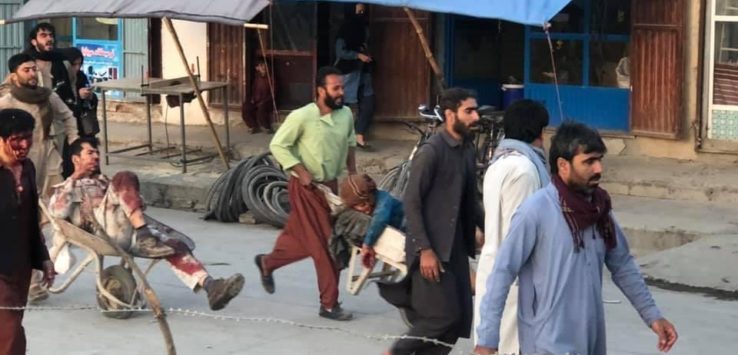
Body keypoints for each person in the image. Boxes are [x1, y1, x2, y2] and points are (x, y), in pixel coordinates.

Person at [474, 122, 678, 355]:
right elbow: (502, 273)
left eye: (599, 159)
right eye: (589, 162)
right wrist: (487, 339)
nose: (598, 169)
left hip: (590, 340)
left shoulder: (599, 210)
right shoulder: (536, 211)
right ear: (563, 165)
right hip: (546, 343)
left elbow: (622, 265)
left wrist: (653, 316)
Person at [48, 137, 245, 311]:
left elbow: (139, 204)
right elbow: (57, 213)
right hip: (102, 231)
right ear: (75, 159)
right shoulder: (66, 187)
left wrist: (129, 197)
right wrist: (75, 179)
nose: (96, 157)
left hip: (127, 229)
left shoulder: (105, 182)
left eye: (97, 153)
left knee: (176, 245)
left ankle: (211, 287)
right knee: (124, 176)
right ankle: (143, 233)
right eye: (90, 153)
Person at [380, 87, 483, 355]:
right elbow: (411, 202)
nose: (476, 117)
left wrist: (485, 226)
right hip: (431, 250)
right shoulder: (431, 151)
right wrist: (425, 250)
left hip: (456, 250)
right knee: (441, 317)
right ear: (450, 115)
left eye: (475, 110)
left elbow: (471, 199)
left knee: (458, 321)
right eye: (469, 111)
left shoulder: (468, 149)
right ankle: (394, 352)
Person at [254, 66, 358, 321]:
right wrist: (301, 171)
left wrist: (353, 176)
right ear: (321, 91)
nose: (341, 92)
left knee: (302, 239)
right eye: (336, 88)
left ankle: (268, 263)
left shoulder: (345, 115)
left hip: (330, 188)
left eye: (342, 87)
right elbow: (278, 145)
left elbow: (351, 144)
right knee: (327, 244)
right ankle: (329, 304)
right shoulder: (302, 116)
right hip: (306, 188)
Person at [473, 100, 550, 353]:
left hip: (495, 266)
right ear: (538, 132)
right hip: (513, 278)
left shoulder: (500, 160)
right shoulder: (524, 170)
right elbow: (519, 234)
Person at [0, 53, 78, 302]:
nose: (33, 74)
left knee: (55, 213)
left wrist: (75, 143)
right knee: (28, 221)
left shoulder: (48, 96)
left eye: (35, 69)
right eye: (27, 70)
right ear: (14, 75)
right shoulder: (8, 101)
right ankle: (32, 283)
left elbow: (68, 116)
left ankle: (56, 255)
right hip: (19, 165)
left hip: (48, 158)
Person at [0, 109, 55, 355]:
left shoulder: (29, 168)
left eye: (28, 138)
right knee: (9, 330)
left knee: (11, 328)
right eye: (16, 139)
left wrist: (43, 257)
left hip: (20, 265)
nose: (24, 145)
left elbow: (32, 219)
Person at [338, 173, 405, 269]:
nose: (367, 206)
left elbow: (380, 219)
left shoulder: (384, 200)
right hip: (393, 238)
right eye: (362, 205)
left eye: (368, 201)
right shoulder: (357, 212)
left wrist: (367, 244)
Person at [335, 2, 374, 149]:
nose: (361, 14)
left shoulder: (364, 28)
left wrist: (366, 55)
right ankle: (339, 138)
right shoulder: (344, 30)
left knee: (369, 103)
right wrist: (357, 55)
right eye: (358, 11)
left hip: (364, 71)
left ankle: (359, 135)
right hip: (348, 72)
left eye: (363, 11)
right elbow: (340, 52)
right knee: (342, 105)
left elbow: (365, 44)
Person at [60, 47, 99, 178]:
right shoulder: (60, 80)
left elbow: (93, 101)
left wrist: (89, 96)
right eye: (73, 64)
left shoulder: (81, 76)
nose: (76, 68)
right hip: (67, 130)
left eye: (79, 64)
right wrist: (77, 95)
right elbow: (61, 103)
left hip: (84, 128)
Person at [23, 22, 75, 108]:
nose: (49, 38)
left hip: (59, 113)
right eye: (43, 36)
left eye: (51, 35)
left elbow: (72, 86)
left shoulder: (63, 62)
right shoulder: (24, 63)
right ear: (34, 42)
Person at [241, 57, 275, 134]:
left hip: (267, 101)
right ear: (257, 68)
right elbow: (253, 90)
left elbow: (273, 93)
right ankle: (252, 126)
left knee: (261, 109)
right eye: (260, 66)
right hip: (257, 100)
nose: (263, 67)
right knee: (246, 107)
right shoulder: (257, 78)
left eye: (264, 65)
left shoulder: (271, 78)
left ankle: (267, 127)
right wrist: (252, 99)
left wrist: (264, 101)